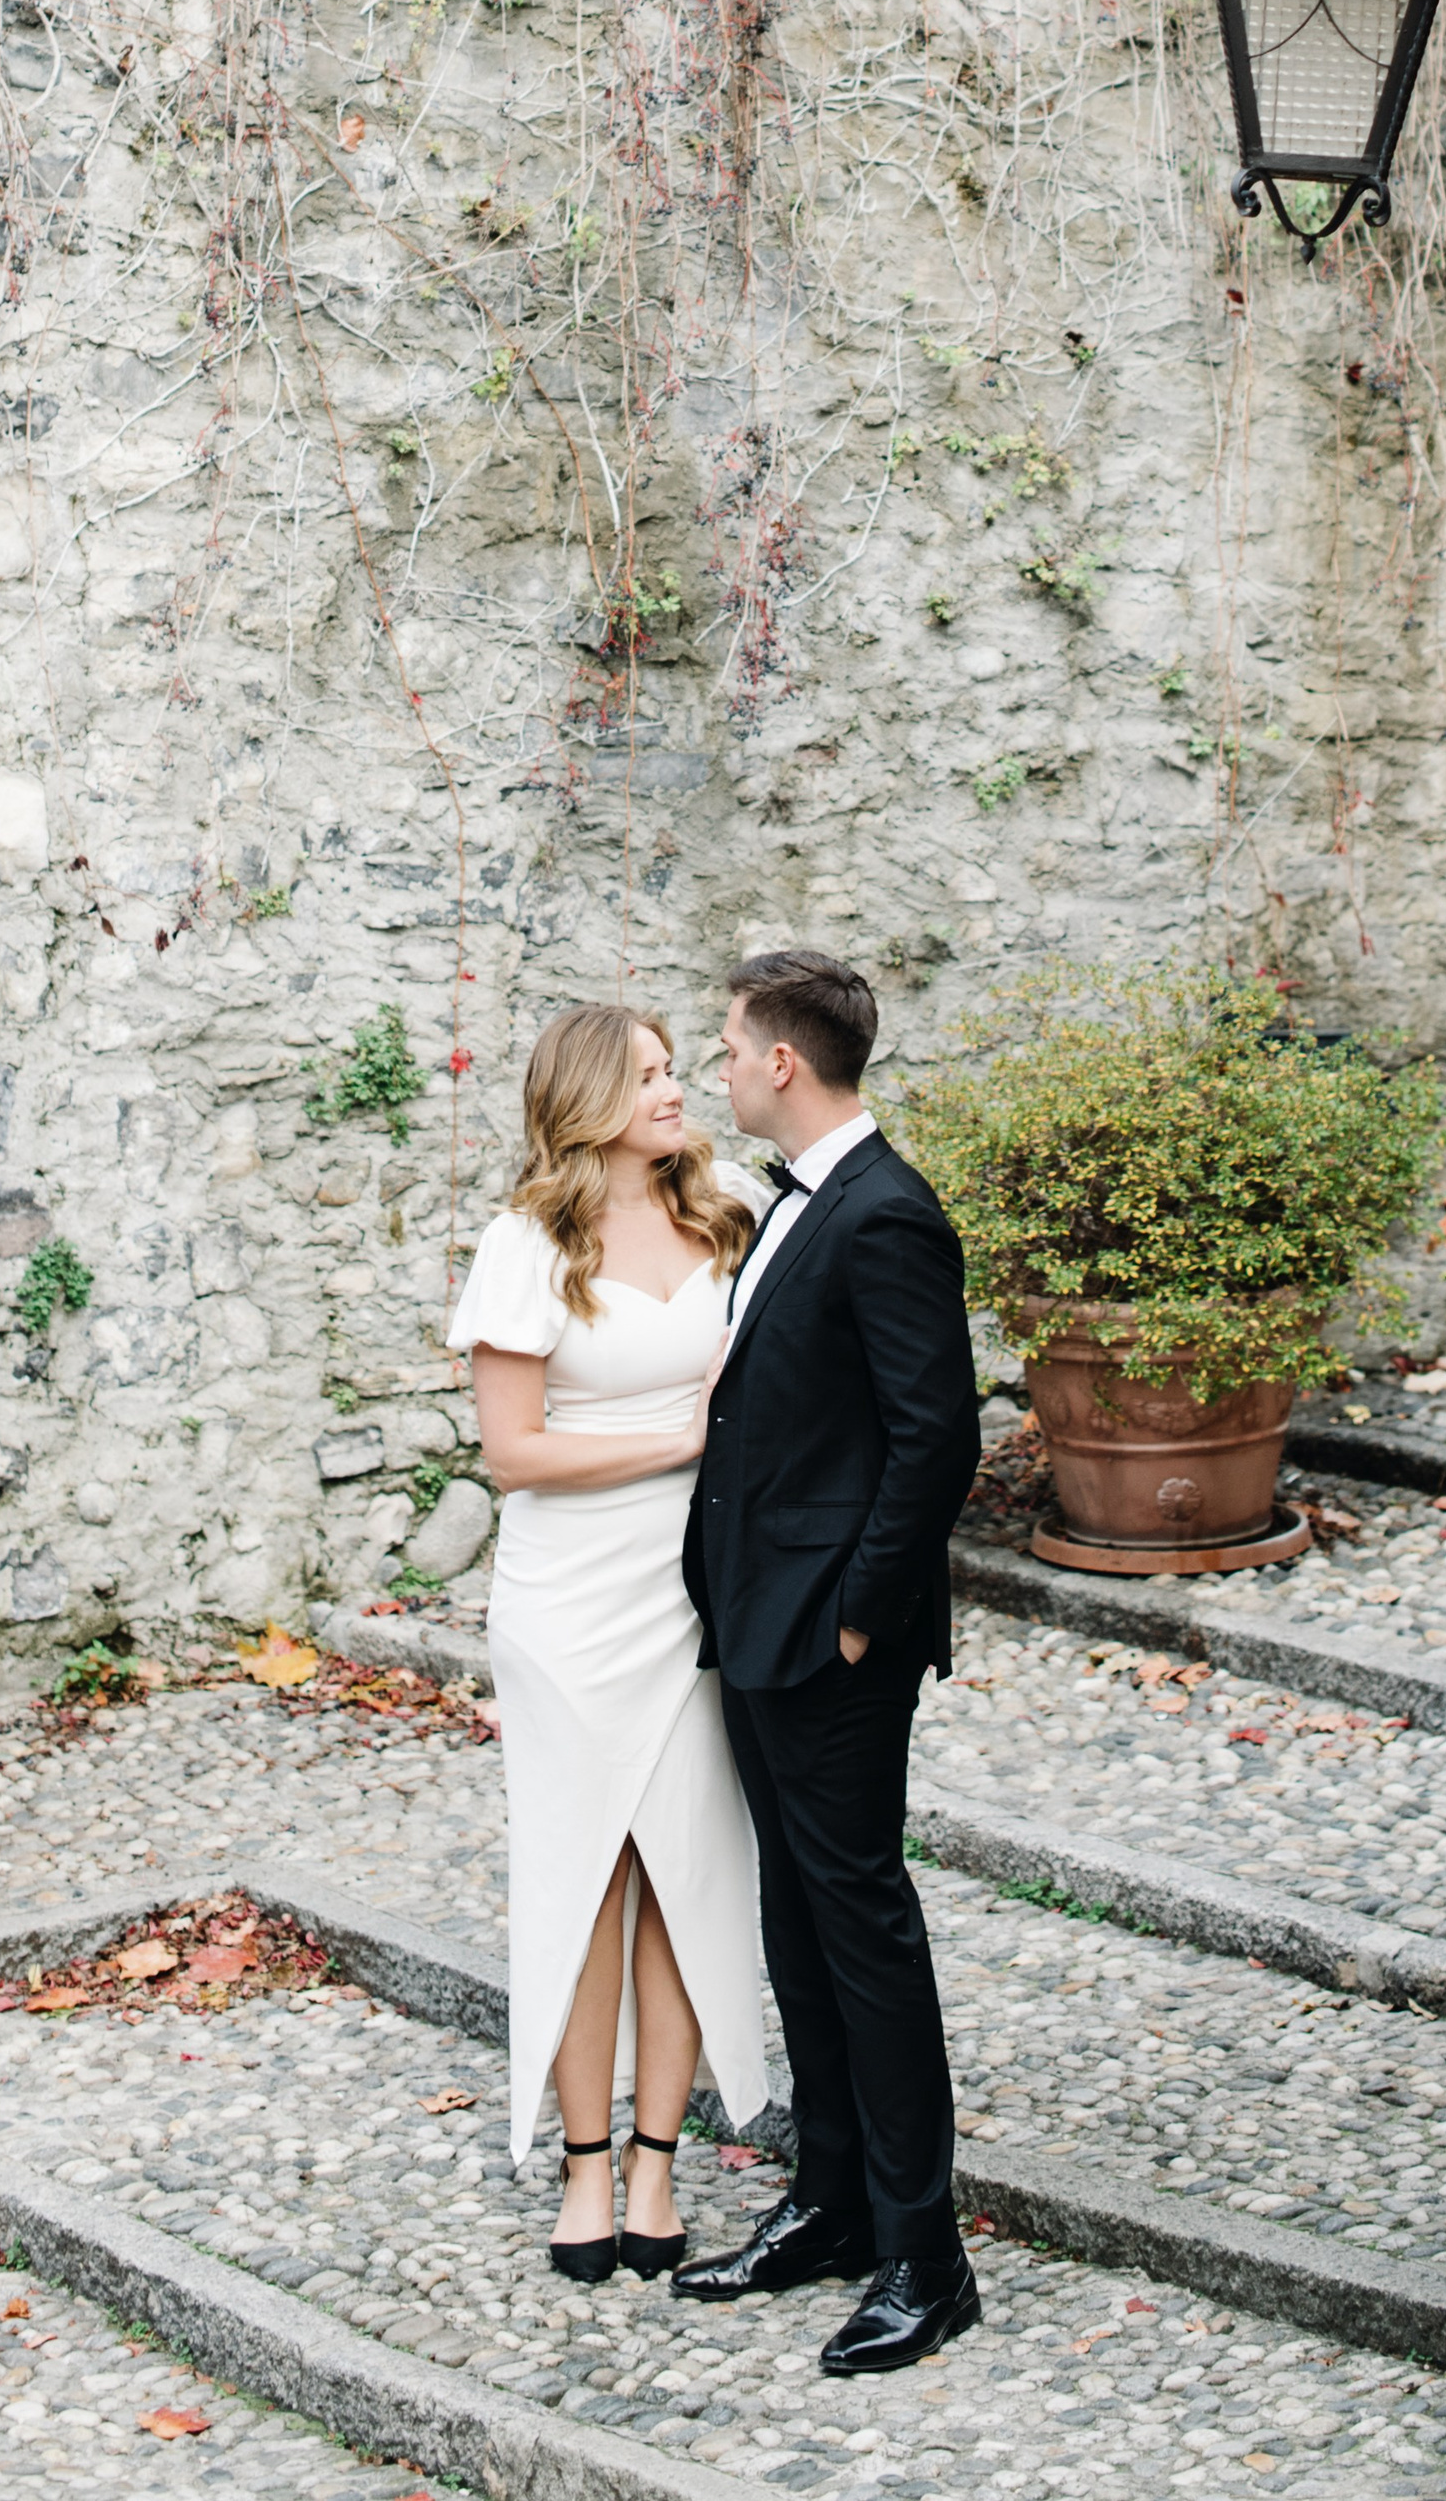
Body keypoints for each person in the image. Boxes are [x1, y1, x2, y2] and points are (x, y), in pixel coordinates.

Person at [673, 948, 984, 2374]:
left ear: (784, 1061)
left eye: (731, 1045)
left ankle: (929, 2255)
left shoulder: (885, 1213)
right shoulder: (796, 1205)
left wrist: (858, 1612)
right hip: (753, 1620)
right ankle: (833, 2198)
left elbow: (940, 1438)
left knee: (863, 1932)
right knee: (796, 1921)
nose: (722, 1065)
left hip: (830, 1636)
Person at [449, 1002, 772, 2282]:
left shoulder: (728, 1210)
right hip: (570, 1599)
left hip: (701, 1591)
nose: (675, 1087)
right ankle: (583, 2172)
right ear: (586, 1095)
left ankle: (656, 2165)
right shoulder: (526, 1244)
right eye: (645, 1074)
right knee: (585, 1883)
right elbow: (513, 1452)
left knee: (686, 1870)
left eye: (676, 1067)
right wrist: (682, 1443)